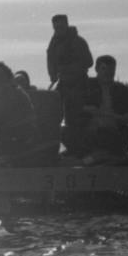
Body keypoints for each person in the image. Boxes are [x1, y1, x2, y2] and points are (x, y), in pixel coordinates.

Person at [46, 14, 93, 154]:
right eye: (55, 27)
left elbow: (89, 61)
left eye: (61, 26)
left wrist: (69, 68)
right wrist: (53, 76)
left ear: (66, 25)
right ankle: (60, 150)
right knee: (53, 117)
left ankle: (80, 150)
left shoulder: (78, 42)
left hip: (78, 85)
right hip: (62, 86)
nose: (58, 30)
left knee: (77, 120)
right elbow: (51, 64)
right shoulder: (54, 45)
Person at [81, 55, 128, 163]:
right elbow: (74, 106)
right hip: (92, 133)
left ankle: (111, 157)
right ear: (97, 69)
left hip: (116, 133)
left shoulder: (122, 90)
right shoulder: (86, 86)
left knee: (118, 136)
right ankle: (96, 156)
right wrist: (85, 108)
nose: (108, 72)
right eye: (104, 69)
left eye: (111, 69)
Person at [14, 70, 62, 163]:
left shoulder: (10, 99)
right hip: (50, 145)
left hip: (24, 148)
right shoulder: (50, 97)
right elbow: (59, 118)